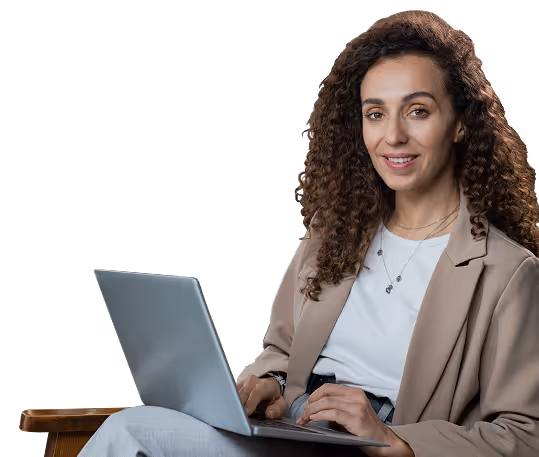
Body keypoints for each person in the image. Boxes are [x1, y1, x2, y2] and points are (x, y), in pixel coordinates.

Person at [78, 9, 539, 457]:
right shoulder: (334, 231)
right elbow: (279, 350)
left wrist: (399, 441)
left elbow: (526, 434)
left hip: (379, 443)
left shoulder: (507, 272)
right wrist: (269, 384)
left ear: (460, 123)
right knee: (129, 431)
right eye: (375, 113)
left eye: (417, 110)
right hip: (296, 429)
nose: (393, 136)